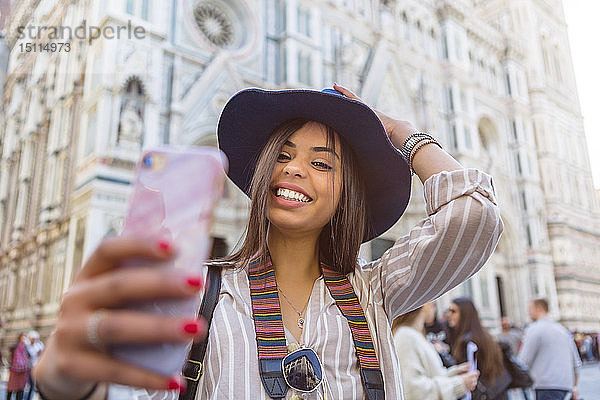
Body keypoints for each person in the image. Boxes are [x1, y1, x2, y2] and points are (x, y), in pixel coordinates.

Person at [33, 84, 503, 399]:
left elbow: (475, 215)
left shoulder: (376, 292)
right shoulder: (196, 297)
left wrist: (402, 134)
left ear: (346, 195)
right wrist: (67, 370)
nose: (295, 169)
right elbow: (100, 383)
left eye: (322, 163)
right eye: (282, 155)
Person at [392, 302, 479, 400]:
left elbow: (428, 376)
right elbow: (413, 391)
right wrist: (459, 383)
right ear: (426, 304)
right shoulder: (406, 336)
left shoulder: (413, 334)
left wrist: (454, 373)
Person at [518, 299, 582, 400]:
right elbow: (576, 364)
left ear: (539, 309)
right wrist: (574, 387)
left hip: (545, 386)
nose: (528, 312)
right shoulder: (563, 330)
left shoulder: (534, 329)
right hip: (565, 386)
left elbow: (523, 361)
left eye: (530, 308)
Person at [448, 297, 511, 400]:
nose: (449, 314)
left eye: (453, 311)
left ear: (465, 314)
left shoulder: (468, 342)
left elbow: (467, 371)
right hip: (498, 392)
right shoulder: (483, 335)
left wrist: (442, 353)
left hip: (486, 394)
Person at [6, 333, 30, 400]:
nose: (24, 339)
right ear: (20, 338)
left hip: (22, 371)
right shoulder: (16, 345)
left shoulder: (25, 347)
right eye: (23, 337)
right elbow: (10, 350)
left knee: (19, 388)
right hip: (15, 370)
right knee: (11, 388)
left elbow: (29, 356)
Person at [24, 331, 44, 400]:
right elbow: (28, 355)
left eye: (35, 339)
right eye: (32, 338)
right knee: (27, 385)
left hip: (35, 367)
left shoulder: (39, 345)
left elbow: (41, 355)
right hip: (27, 367)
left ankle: (29, 397)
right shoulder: (26, 345)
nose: (34, 340)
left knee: (32, 385)